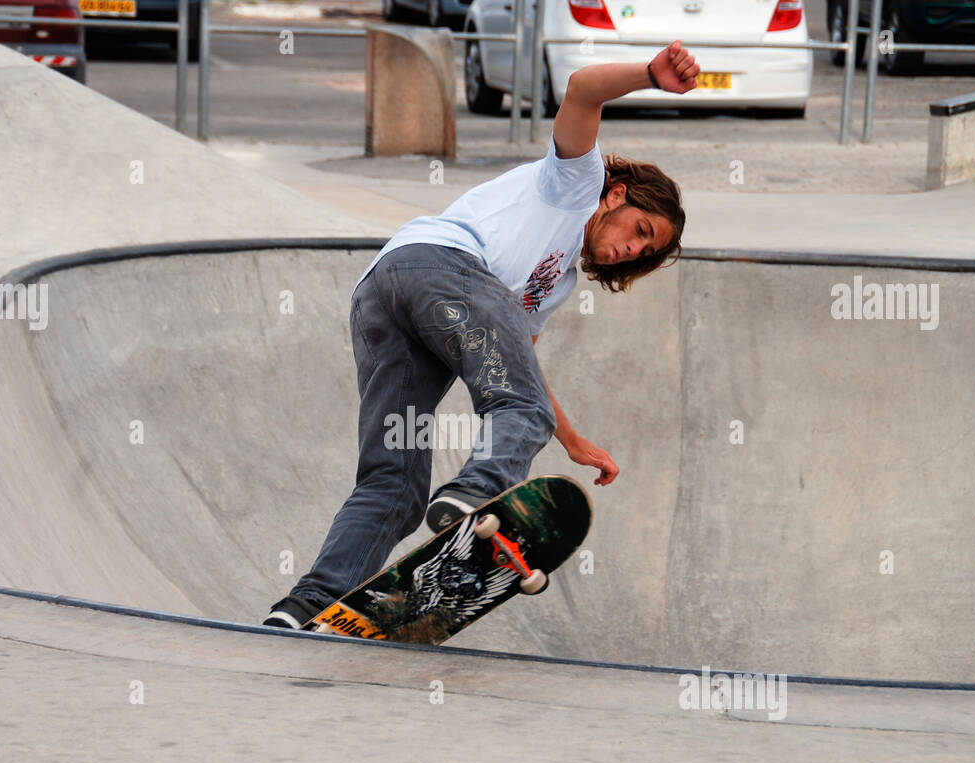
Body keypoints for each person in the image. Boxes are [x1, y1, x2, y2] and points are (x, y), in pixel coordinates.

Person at [264, 42, 700, 630]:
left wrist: (568, 440)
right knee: (518, 412)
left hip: (386, 298)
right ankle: (475, 492)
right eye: (639, 230)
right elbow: (581, 90)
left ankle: (304, 607)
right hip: (444, 270)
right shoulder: (576, 181)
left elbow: (520, 367)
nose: (630, 248)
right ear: (618, 197)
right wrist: (650, 75)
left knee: (394, 483)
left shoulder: (558, 283)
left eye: (643, 252)